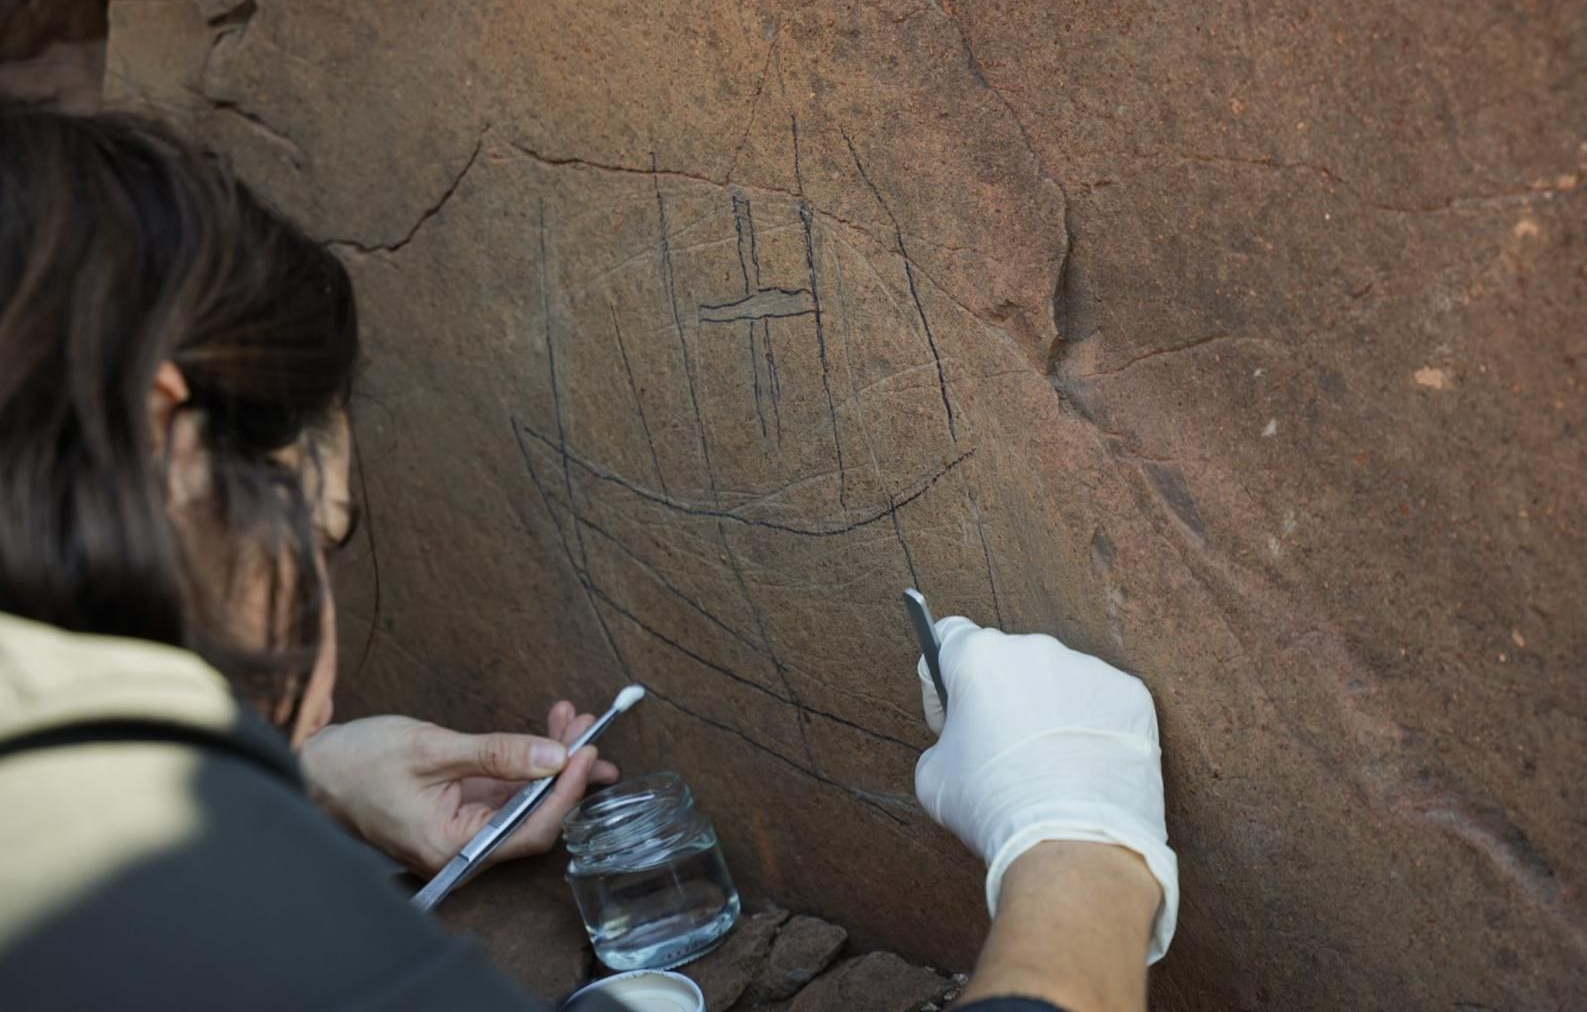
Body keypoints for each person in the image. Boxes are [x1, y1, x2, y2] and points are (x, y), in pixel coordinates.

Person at [0, 101, 1176, 1011]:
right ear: (176, 450)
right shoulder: (203, 925)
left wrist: (301, 776)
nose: (318, 583)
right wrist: (1076, 847)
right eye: (319, 528)